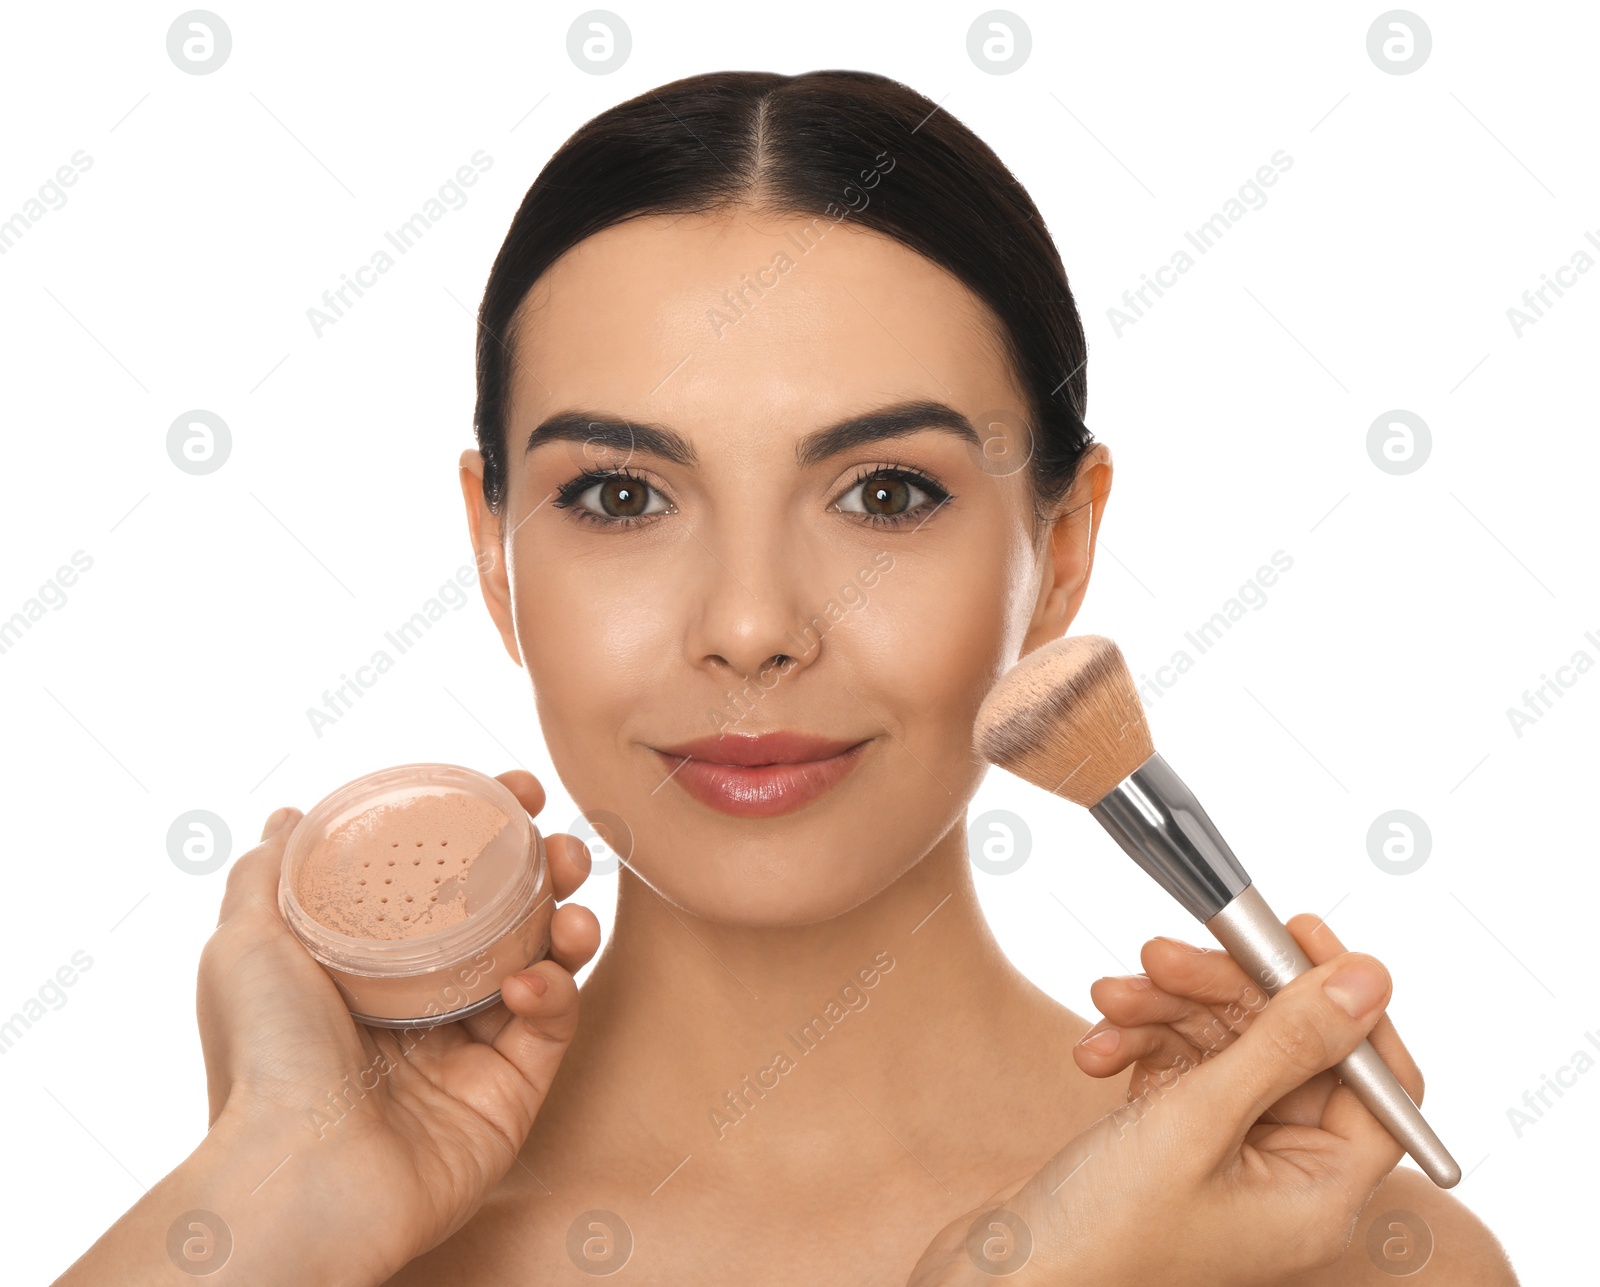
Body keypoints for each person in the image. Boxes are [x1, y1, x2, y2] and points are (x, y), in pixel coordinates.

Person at [55, 70, 1518, 1285]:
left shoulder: (1340, 1254)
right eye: (621, 498)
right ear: (494, 554)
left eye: (886, 494)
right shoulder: (305, 1241)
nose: (752, 627)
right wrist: (273, 1193)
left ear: (1062, 551)